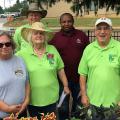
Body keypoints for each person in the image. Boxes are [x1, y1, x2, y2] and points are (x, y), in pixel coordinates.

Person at [16, 22, 70, 120]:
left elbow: (60, 69)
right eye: (35, 33)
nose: (38, 36)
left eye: (41, 33)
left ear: (45, 36)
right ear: (30, 37)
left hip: (52, 97)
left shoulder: (52, 50)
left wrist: (66, 86)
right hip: (32, 99)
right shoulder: (22, 54)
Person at [49, 13, 89, 119]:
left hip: (79, 78)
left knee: (79, 106)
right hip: (62, 80)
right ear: (60, 23)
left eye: (69, 21)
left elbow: (89, 54)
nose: (66, 24)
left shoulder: (81, 35)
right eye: (64, 22)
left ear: (73, 21)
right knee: (63, 107)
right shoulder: (55, 38)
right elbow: (49, 55)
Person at [78, 17, 120, 119]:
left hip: (114, 104)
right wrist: (83, 95)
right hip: (92, 102)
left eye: (106, 28)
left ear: (111, 31)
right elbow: (83, 74)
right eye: (99, 28)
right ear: (95, 31)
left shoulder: (118, 47)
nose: (102, 32)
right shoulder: (88, 49)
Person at [0, 32, 30, 119]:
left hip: (21, 112)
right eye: (0, 45)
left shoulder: (20, 60)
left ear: (12, 45)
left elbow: (27, 82)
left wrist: (26, 101)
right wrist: (7, 109)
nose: (4, 47)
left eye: (7, 44)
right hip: (3, 116)